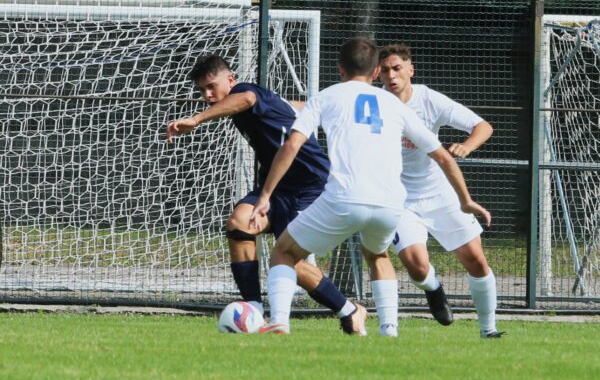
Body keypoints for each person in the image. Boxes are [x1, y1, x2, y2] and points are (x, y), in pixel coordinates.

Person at [250, 37, 490, 335]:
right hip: (391, 204)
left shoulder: (326, 96)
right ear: (376, 73)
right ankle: (388, 330)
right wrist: (466, 199)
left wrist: (265, 195)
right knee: (377, 255)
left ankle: (279, 323)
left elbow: (292, 146)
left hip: (344, 198)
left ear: (339, 69)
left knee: (283, 252)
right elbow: (442, 156)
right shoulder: (393, 104)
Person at [166, 55, 365, 334]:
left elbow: (246, 99)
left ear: (231, 79)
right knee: (238, 223)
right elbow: (294, 106)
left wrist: (196, 119)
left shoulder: (244, 93)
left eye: (211, 86)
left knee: (287, 260)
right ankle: (253, 309)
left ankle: (350, 310)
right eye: (202, 91)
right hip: (277, 187)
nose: (207, 95)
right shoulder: (264, 100)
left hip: (309, 186)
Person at [378, 43, 504, 338]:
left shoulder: (429, 100)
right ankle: (433, 289)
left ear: (411, 70)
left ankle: (489, 329)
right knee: (417, 266)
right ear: (377, 74)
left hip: (440, 193)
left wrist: (467, 146)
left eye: (397, 68)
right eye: (385, 70)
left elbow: (482, 126)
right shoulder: (375, 103)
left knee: (476, 260)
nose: (391, 75)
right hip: (400, 198)